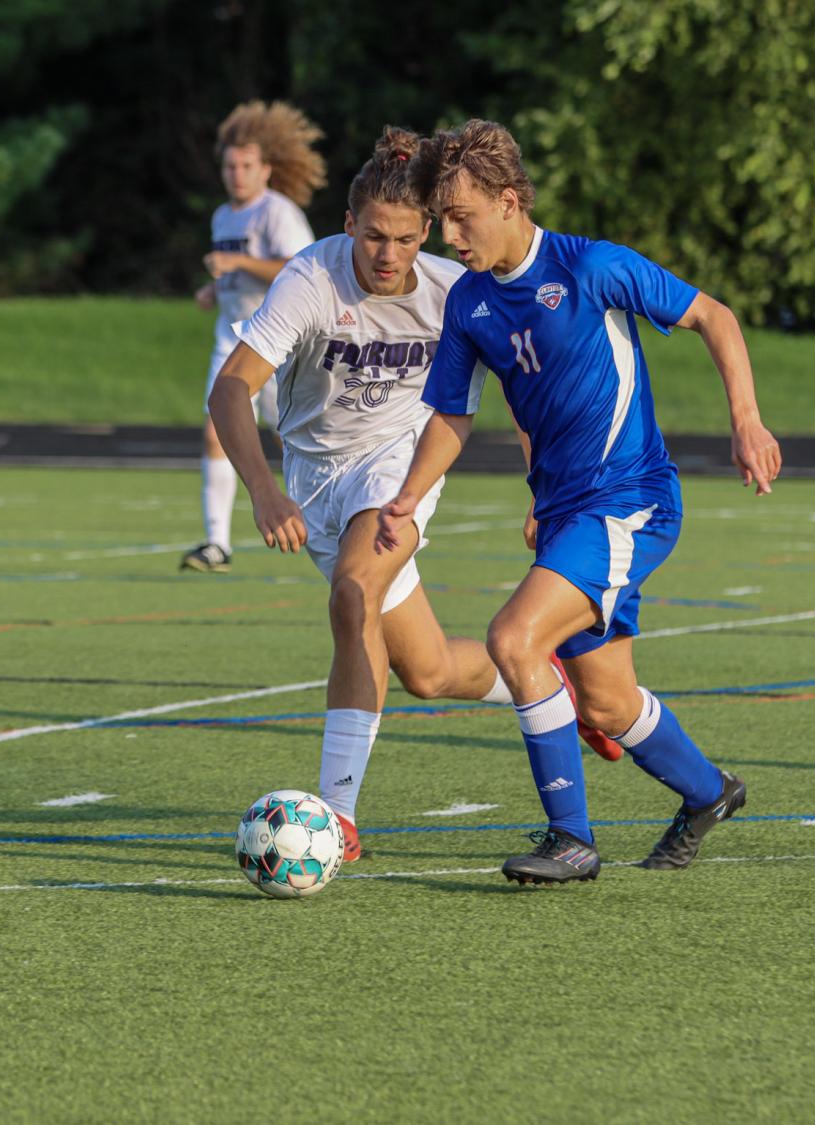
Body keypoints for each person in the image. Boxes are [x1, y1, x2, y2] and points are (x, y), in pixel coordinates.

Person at [378, 120, 783, 884]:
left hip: (628, 500)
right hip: (567, 514)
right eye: (445, 222)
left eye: (462, 218)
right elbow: (453, 416)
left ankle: (570, 837)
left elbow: (713, 317)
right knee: (604, 702)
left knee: (513, 639)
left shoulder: (590, 266)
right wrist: (407, 496)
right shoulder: (466, 304)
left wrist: (746, 421)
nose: (451, 237)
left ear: (508, 201)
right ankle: (708, 792)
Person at [209, 127, 618, 864]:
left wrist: (540, 489)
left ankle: (337, 818)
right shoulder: (310, 278)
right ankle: (549, 685)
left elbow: (520, 388)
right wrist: (265, 491)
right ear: (347, 227)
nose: (386, 255)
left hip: (397, 470)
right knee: (426, 672)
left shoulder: (452, 291)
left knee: (352, 592)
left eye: (402, 238)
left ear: (425, 231)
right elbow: (230, 388)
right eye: (372, 237)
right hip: (312, 480)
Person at [182, 101, 325, 574]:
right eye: (229, 166)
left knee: (293, 440)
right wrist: (213, 288)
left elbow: (302, 272)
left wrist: (238, 265)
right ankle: (216, 543)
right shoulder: (223, 216)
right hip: (232, 339)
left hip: (278, 345)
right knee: (216, 432)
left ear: (266, 169)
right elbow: (235, 277)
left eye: (246, 166)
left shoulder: (278, 212)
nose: (237, 175)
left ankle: (322, 520)